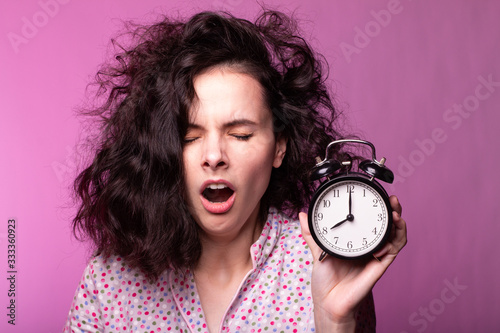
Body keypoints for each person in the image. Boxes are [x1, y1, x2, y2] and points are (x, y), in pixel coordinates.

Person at [64, 9, 407, 333]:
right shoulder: (109, 282)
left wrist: (335, 321)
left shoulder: (326, 269)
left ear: (279, 147)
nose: (214, 156)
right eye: (189, 137)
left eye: (240, 134)